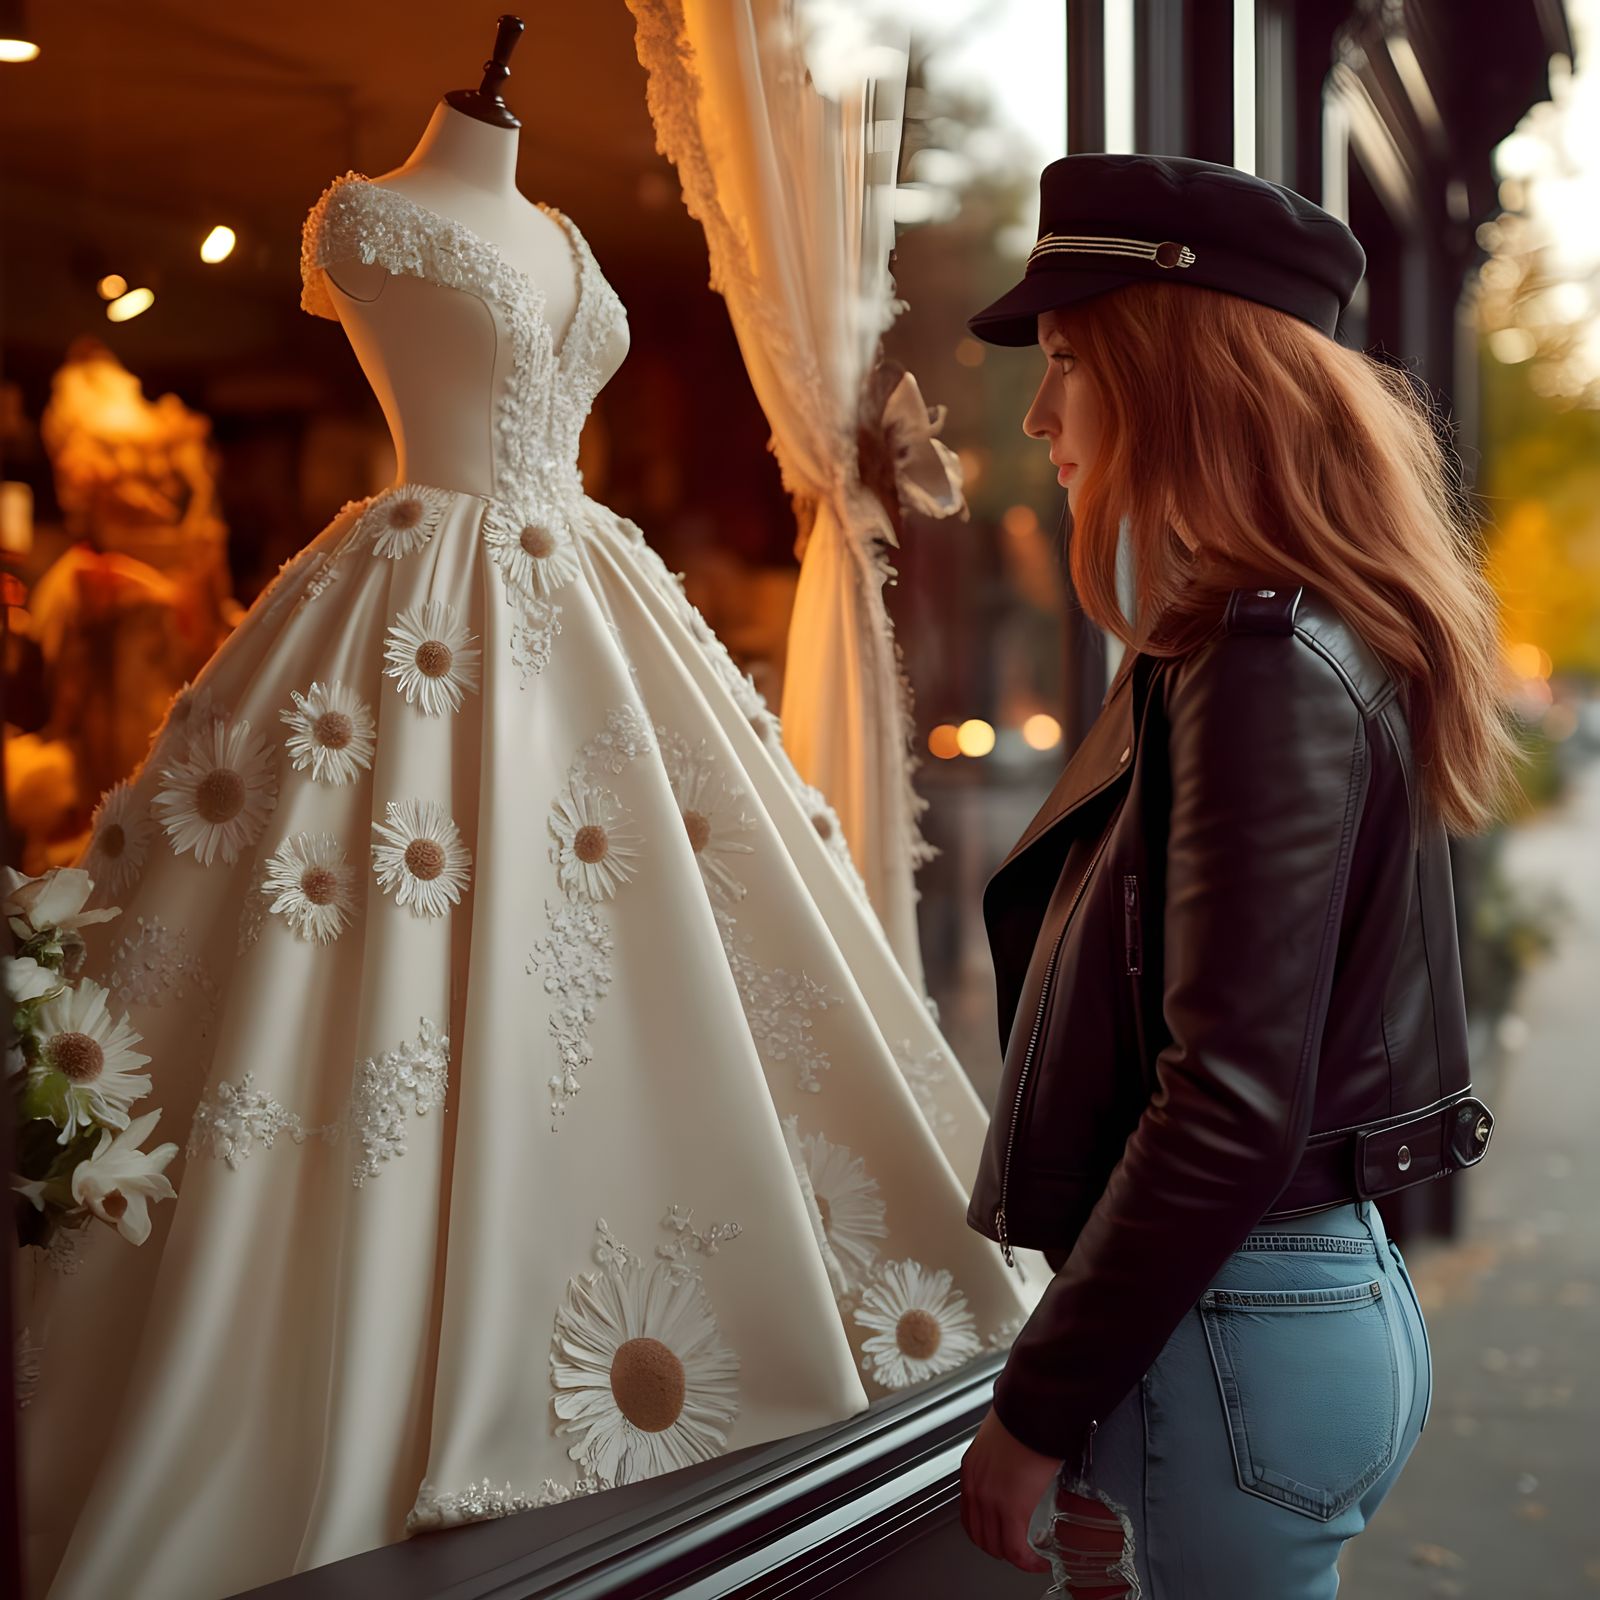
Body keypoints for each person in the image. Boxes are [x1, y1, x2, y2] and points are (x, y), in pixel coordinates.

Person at [17, 83, 1034, 1600]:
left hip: (594, 617)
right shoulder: (367, 215)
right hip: (418, 617)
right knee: (370, 974)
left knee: (673, 966)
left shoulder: (562, 232)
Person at [954, 153, 1510, 1597]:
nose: (1039, 414)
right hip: (1281, 1312)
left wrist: (1037, 1405)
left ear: (1173, 373)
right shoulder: (1302, 635)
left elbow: (1229, 1097)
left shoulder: (1261, 663)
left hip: (1234, 1336)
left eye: (1070, 361)